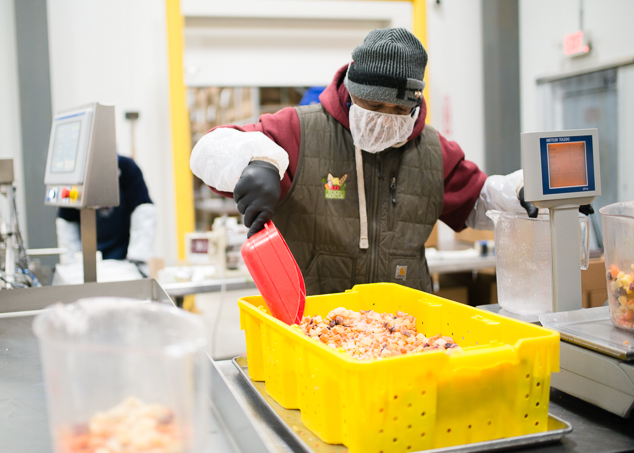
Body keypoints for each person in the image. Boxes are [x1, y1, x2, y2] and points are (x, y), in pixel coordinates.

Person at [190, 28, 548, 296]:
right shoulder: (300, 130)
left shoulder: (433, 151)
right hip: (312, 327)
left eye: (399, 109)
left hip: (403, 329)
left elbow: (477, 199)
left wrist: (521, 192)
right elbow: (210, 147)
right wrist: (256, 161)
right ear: (351, 91)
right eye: (373, 106)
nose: (386, 118)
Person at [56, 155, 156, 275]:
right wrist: (72, 266)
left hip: (123, 260)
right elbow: (67, 223)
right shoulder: (74, 178)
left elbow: (144, 213)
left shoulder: (127, 168)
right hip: (88, 261)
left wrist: (138, 262)